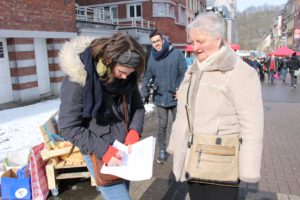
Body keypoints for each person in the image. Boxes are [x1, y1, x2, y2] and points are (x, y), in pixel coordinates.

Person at [167, 12, 264, 200]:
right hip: (194, 158)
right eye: (193, 42)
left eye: (200, 41)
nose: (194, 47)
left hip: (221, 162)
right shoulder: (194, 69)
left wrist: (248, 170)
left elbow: (252, 125)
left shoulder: (240, 72)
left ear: (218, 39)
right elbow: (184, 113)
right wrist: (176, 145)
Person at [58, 33, 146, 199]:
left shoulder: (128, 78)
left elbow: (138, 107)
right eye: (122, 71)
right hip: (99, 153)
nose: (125, 77)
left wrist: (134, 131)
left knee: (125, 193)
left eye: (130, 73)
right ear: (106, 62)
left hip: (124, 151)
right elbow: (68, 127)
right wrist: (105, 151)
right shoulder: (77, 81)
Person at [141, 30, 187, 164]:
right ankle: (162, 149)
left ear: (163, 40)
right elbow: (148, 74)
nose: (156, 44)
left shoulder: (176, 54)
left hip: (175, 96)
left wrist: (179, 88)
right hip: (160, 97)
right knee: (162, 125)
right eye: (153, 42)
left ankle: (180, 148)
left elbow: (183, 72)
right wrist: (144, 87)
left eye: (158, 41)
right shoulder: (152, 57)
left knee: (178, 125)